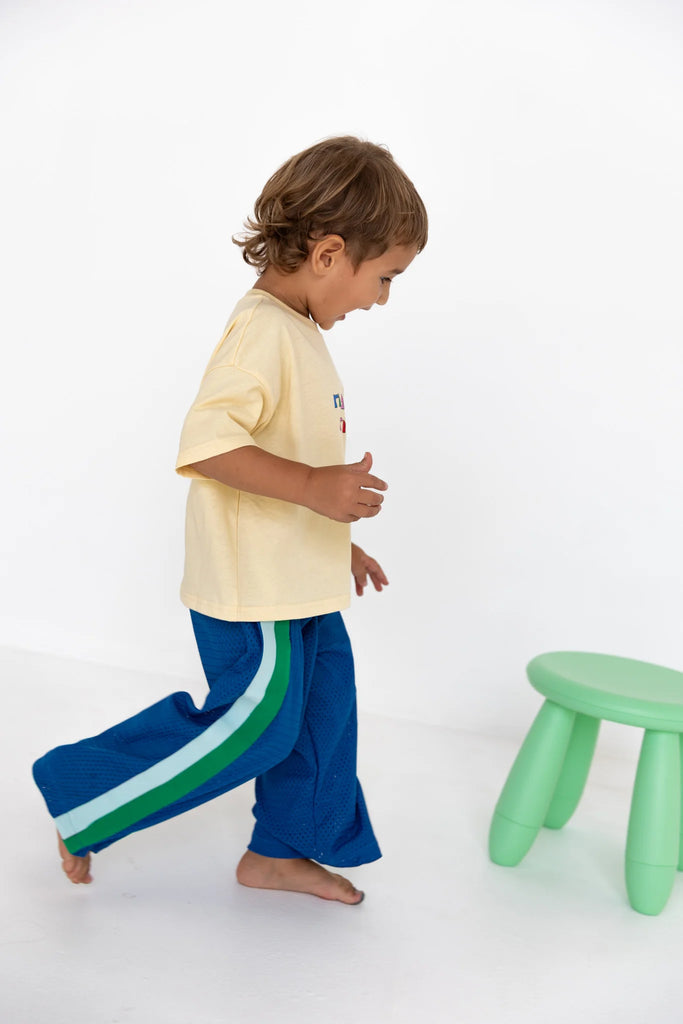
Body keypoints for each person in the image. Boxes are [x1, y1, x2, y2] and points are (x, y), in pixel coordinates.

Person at [32, 136, 428, 905]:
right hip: (254, 593)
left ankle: (279, 851)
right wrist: (317, 487)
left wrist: (335, 538)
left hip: (296, 580)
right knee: (254, 725)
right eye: (382, 279)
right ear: (327, 253)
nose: (380, 299)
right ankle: (82, 790)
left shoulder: (299, 332)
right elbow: (208, 444)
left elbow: (287, 461)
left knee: (321, 717)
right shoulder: (260, 332)